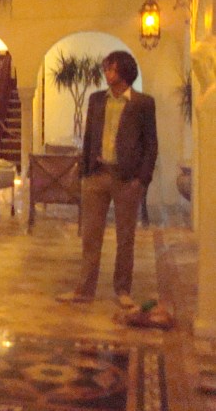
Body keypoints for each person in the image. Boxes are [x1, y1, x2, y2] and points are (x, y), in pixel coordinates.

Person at [56, 51, 158, 309]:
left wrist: (142, 179)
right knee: (90, 236)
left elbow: (151, 144)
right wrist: (85, 172)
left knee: (125, 237)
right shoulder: (96, 100)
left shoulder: (143, 103)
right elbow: (89, 136)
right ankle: (84, 289)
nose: (107, 73)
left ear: (124, 71)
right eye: (106, 68)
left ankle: (123, 290)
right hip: (97, 175)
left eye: (111, 69)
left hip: (126, 179)